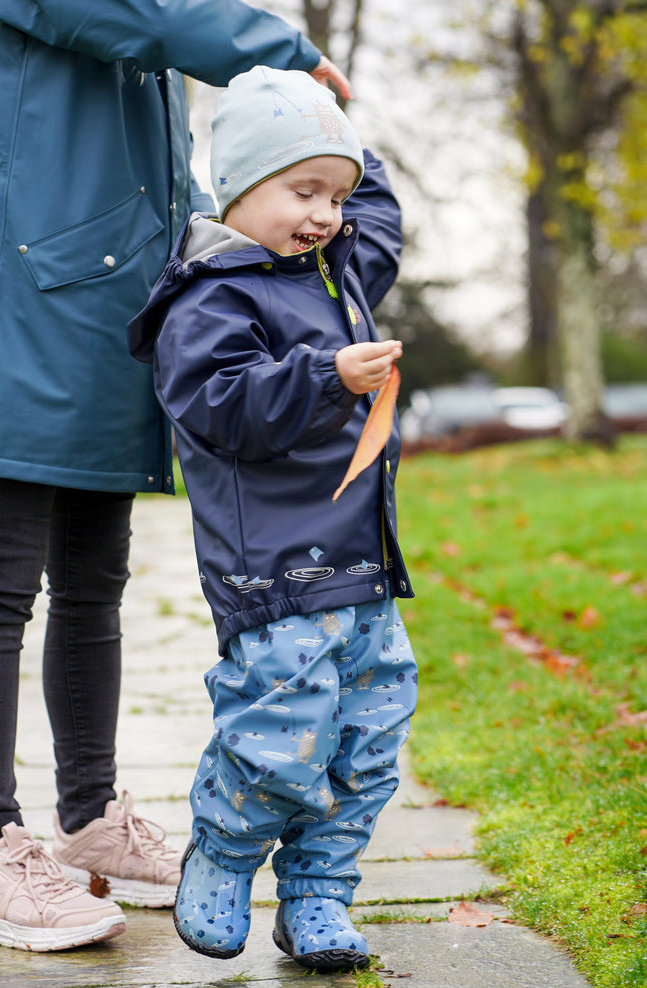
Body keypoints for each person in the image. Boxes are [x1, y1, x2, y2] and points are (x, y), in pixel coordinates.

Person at [0, 0, 353, 953]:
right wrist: (284, 51)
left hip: (102, 300)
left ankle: (88, 817)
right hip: (13, 298)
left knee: (95, 584)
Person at [128, 66, 418, 972]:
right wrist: (327, 376)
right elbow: (224, 410)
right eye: (303, 191)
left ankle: (319, 895)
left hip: (365, 569)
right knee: (278, 737)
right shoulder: (210, 295)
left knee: (367, 744)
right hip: (275, 577)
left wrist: (339, 126)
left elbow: (381, 218)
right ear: (241, 186)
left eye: (335, 196)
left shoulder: (333, 273)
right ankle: (221, 853)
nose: (327, 213)